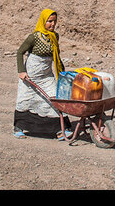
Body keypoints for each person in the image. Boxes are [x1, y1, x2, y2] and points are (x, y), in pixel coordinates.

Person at [13, 8, 72, 140]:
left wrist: (62, 72)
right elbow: (19, 52)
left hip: (46, 75)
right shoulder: (34, 37)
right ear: (43, 21)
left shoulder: (55, 36)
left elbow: (56, 55)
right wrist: (21, 71)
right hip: (30, 76)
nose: (52, 24)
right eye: (49, 21)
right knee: (25, 101)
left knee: (54, 99)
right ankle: (18, 128)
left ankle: (61, 129)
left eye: (54, 21)